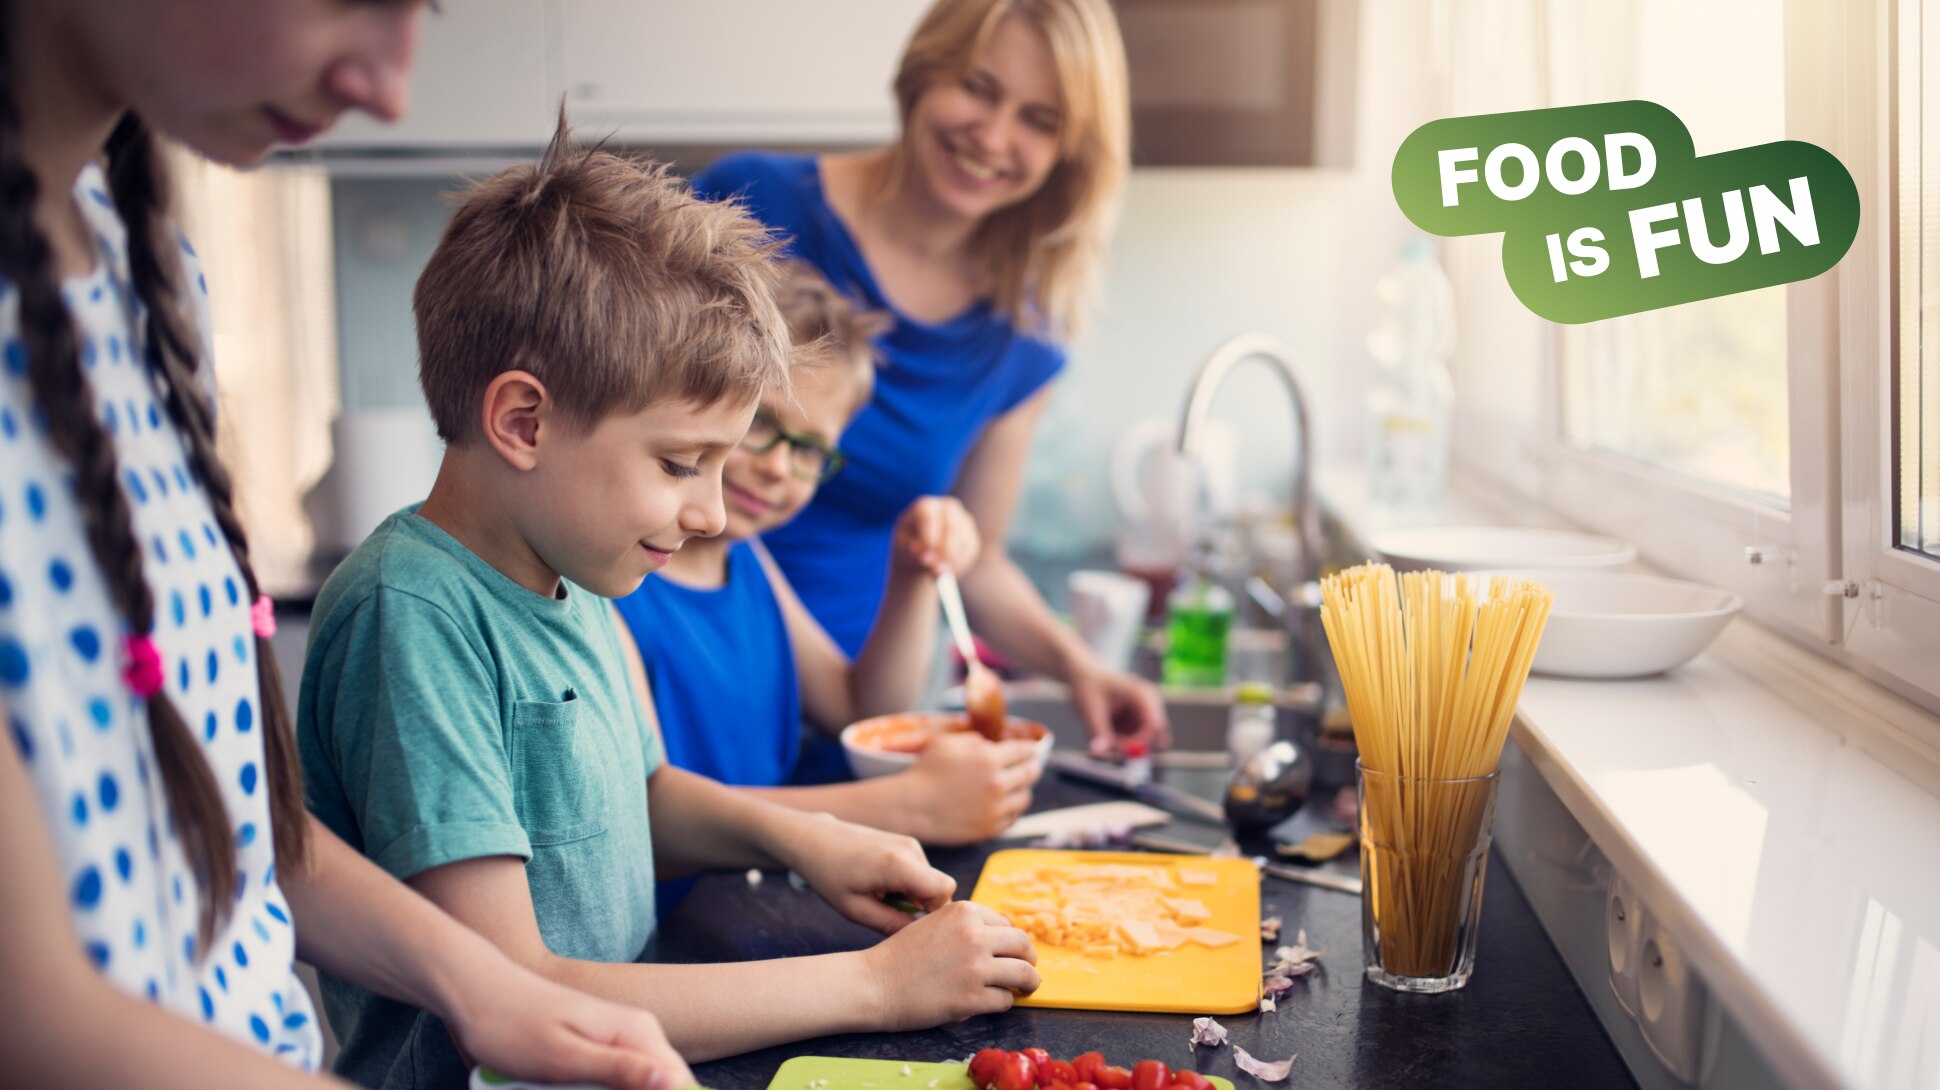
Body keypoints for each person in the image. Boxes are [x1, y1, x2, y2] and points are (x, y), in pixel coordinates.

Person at [0, 3, 690, 1089]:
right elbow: (31, 1018)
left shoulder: (151, 270)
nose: (390, 88)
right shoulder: (412, 601)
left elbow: (247, 826)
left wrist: (491, 990)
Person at [297, 119, 1040, 1090]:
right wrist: (876, 986)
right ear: (523, 421)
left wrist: (805, 838)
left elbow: (635, 794)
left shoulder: (568, 571)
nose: (713, 510)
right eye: (682, 463)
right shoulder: (415, 616)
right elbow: (517, 988)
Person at [690, 0, 1163, 777]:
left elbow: (973, 556)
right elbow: (629, 418)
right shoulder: (749, 202)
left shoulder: (1022, 332)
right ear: (923, 72)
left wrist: (1081, 668)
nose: (994, 136)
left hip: (856, 711)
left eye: (1038, 119)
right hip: (690, 657)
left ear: (1067, 151)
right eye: (979, 88)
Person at [616, 259, 1042, 854]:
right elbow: (648, 816)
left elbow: (861, 712)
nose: (777, 467)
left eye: (811, 450)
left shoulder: (747, 560)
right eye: (761, 423)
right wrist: (908, 805)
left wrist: (911, 573)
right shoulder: (615, 580)